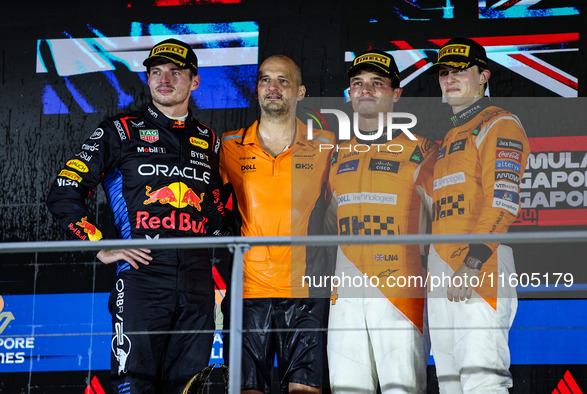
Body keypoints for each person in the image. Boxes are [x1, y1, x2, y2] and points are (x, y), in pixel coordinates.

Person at [47, 38, 230, 394]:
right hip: (142, 277)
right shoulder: (120, 131)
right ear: (147, 78)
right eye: (156, 71)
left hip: (196, 282)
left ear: (194, 81)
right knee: (134, 386)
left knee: (188, 387)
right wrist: (99, 245)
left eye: (176, 72)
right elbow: (65, 189)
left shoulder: (210, 140)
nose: (164, 79)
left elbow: (219, 208)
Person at [219, 55, 336, 393]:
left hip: (306, 293)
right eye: (265, 80)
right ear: (256, 90)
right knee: (247, 390)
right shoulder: (229, 146)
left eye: (283, 80)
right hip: (248, 292)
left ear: (300, 92)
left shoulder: (326, 145)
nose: (273, 87)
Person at [326, 49, 437, 393]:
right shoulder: (335, 153)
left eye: (377, 83)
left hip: (401, 292)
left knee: (401, 388)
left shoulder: (425, 150)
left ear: (396, 93)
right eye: (358, 83)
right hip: (343, 292)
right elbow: (326, 224)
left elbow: (447, 221)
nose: (366, 90)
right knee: (346, 388)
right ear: (350, 94)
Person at [426, 37, 530, 393]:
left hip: (478, 263)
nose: (450, 79)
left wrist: (472, 263)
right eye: (443, 73)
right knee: (451, 384)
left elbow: (503, 201)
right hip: (441, 267)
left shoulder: (500, 123)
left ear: (484, 76)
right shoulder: (452, 134)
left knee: (482, 382)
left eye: (461, 71)